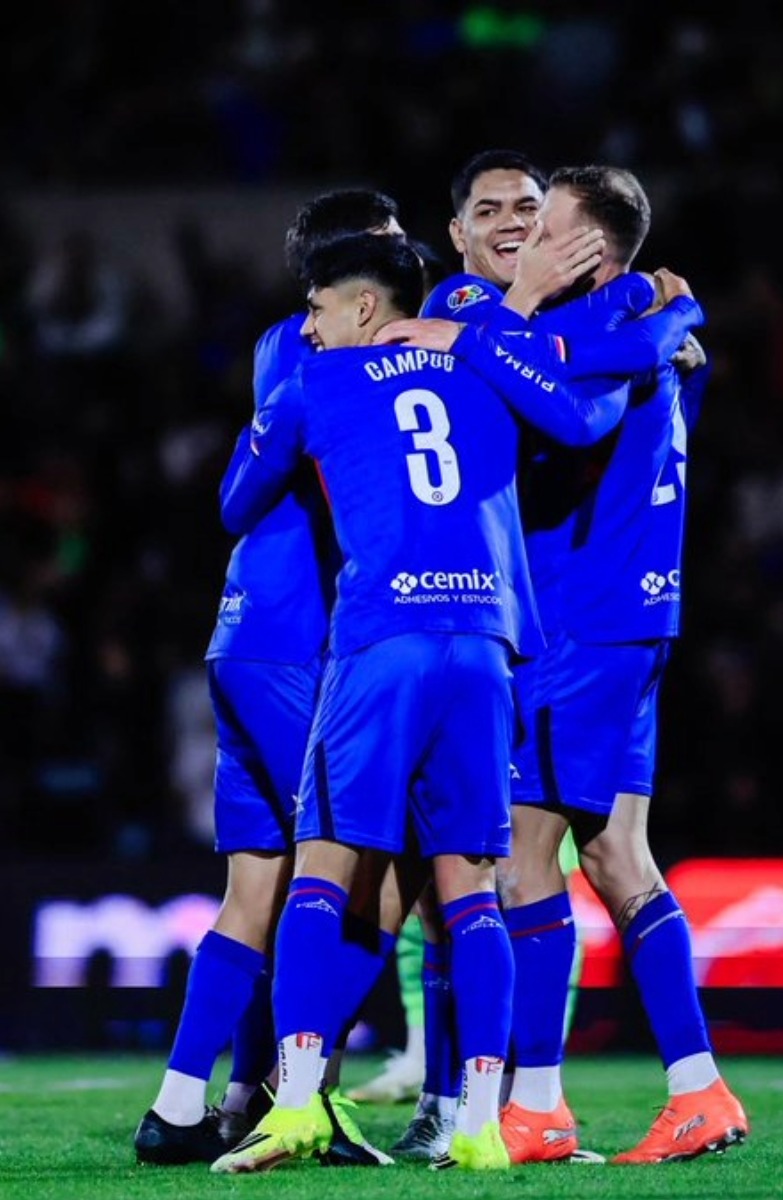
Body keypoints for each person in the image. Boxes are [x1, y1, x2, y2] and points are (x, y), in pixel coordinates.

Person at [206, 231, 668, 1175]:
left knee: (321, 873)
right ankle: (479, 1122)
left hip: (382, 641)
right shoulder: (487, 368)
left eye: (320, 308)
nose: (310, 326)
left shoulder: (316, 380)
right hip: (488, 649)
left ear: (365, 308)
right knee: (472, 892)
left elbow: (236, 500)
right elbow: (579, 418)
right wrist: (653, 303)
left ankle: (294, 1106)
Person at [411, 162, 749, 1165]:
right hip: (616, 619)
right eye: (502, 214)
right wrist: (651, 315)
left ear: (592, 244)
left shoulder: (586, 324)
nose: (524, 232)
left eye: (541, 216)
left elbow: (577, 415)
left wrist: (501, 335)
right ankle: (693, 1088)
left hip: (579, 623)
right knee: (613, 857)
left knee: (524, 858)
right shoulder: (512, 304)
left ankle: (539, 1104)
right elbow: (599, 377)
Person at [133, 188, 408, 1168]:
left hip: (245, 633)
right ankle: (303, 1098)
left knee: (257, 886)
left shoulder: (281, 343)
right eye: (387, 248)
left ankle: (186, 1104)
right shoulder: (342, 351)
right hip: (305, 640)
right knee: (372, 880)